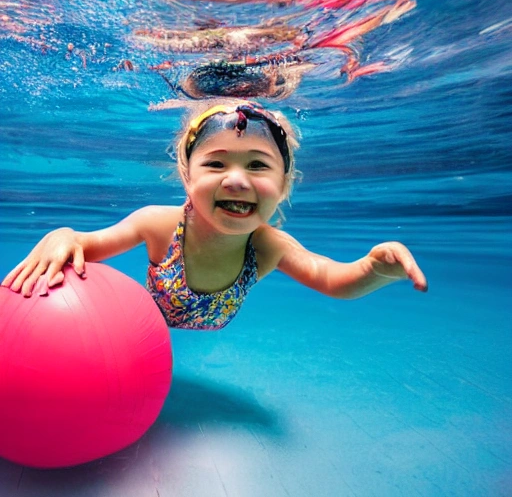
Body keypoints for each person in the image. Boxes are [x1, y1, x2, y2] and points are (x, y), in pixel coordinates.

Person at [1, 101, 427, 330]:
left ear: (283, 185)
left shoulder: (268, 245)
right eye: (216, 164)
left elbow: (334, 280)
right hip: (142, 326)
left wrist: (375, 269)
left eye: (258, 166)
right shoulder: (159, 224)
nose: (237, 180)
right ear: (187, 177)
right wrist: (63, 234)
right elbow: (87, 243)